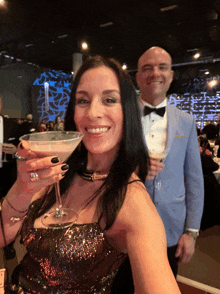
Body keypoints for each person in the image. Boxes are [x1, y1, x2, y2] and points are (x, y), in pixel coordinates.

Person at [0, 56, 181, 293]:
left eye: (109, 99)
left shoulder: (132, 201)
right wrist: (21, 190)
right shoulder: (59, 172)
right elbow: (3, 237)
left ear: (127, 110)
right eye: (83, 100)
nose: (93, 112)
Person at [136, 47, 204, 277]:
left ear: (171, 75)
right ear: (137, 77)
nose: (155, 73)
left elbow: (194, 180)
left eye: (162, 67)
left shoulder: (186, 121)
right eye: (147, 68)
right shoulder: (122, 119)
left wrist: (191, 231)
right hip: (128, 223)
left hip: (172, 229)